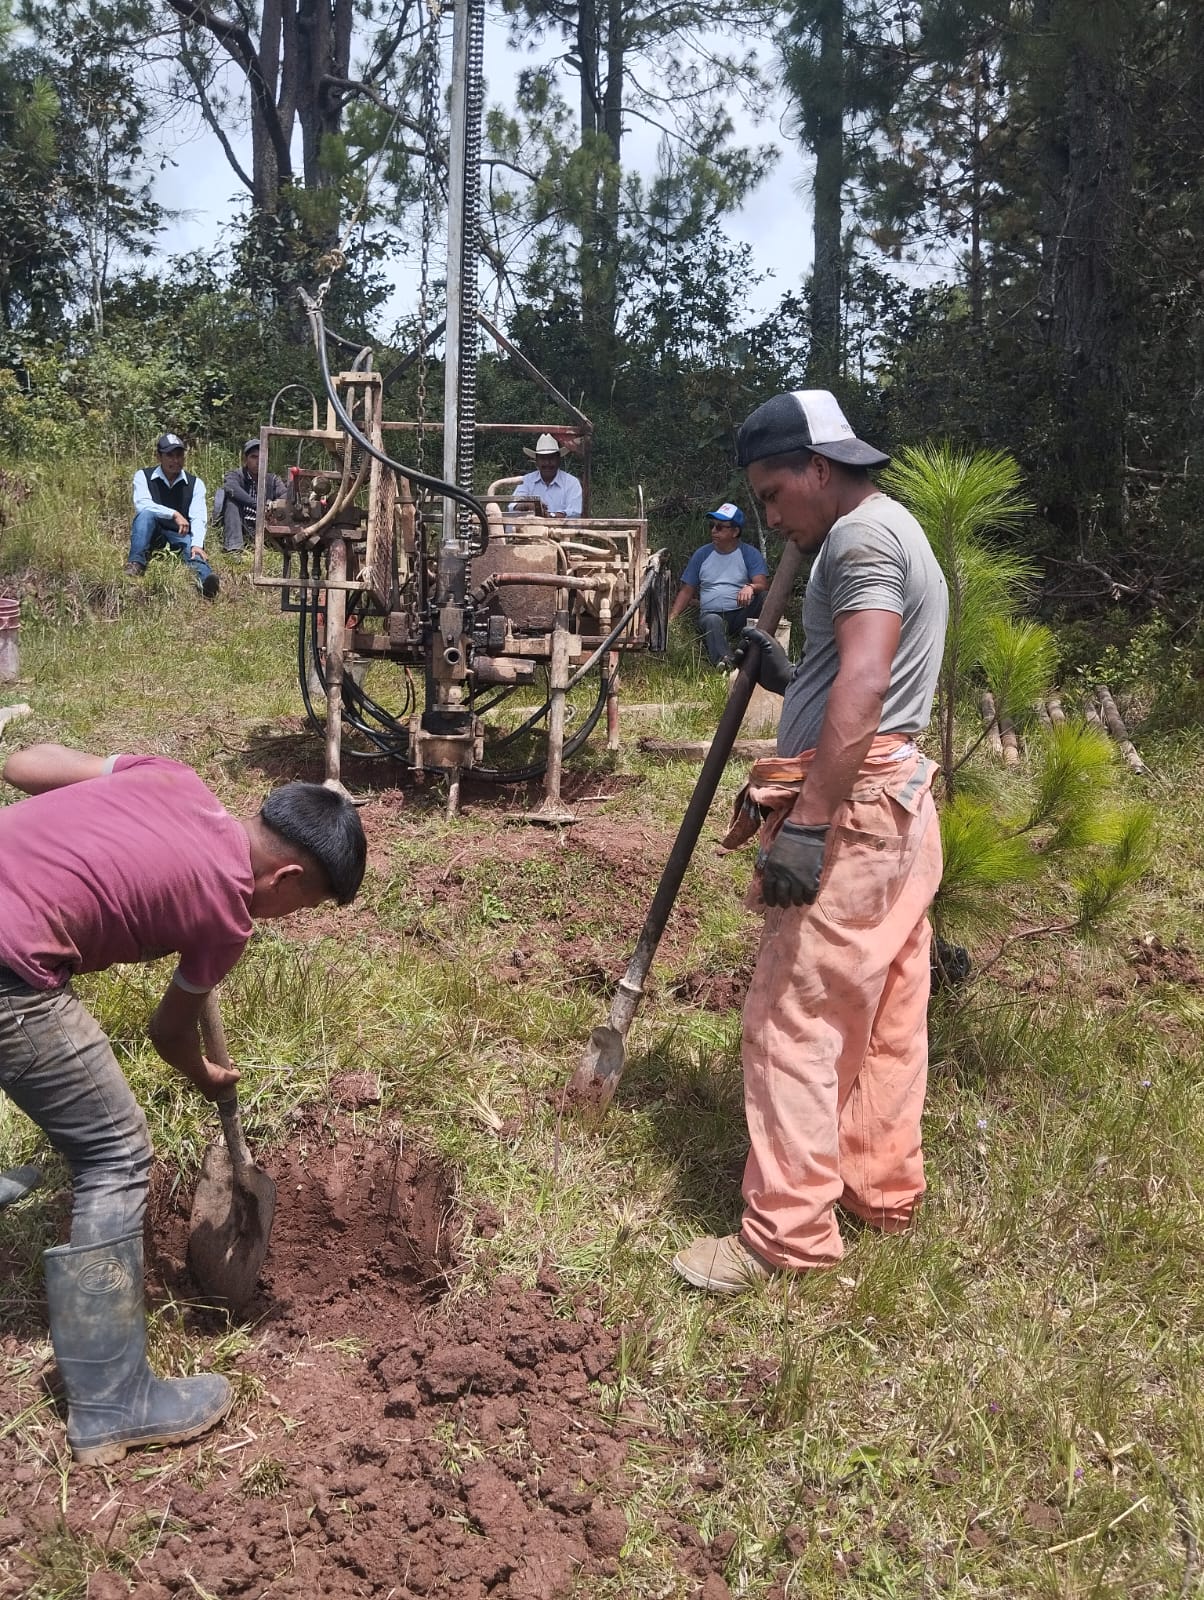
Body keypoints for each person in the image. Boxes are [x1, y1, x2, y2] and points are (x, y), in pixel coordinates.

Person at [0, 744, 367, 1464]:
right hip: (9, 967)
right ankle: (113, 1403)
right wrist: (206, 1075)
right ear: (287, 876)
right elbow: (167, 1031)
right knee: (114, 1154)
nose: (289, 916)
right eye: (305, 904)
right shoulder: (226, 919)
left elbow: (22, 764)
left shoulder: (173, 776)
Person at [672, 389, 949, 1293]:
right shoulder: (894, 527)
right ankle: (879, 1190)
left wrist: (814, 827)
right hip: (905, 801)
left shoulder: (858, 539)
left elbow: (867, 682)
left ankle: (785, 1236)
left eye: (772, 493)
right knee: (885, 1014)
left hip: (858, 806)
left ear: (819, 471)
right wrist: (798, 676)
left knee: (796, 1016)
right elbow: (863, 671)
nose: (768, 514)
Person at [667, 502, 770, 667]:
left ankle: (765, 650)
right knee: (713, 620)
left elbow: (762, 585)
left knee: (765, 598)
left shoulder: (749, 554)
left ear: (735, 532)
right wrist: (672, 620)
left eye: (720, 527)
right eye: (712, 526)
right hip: (712, 615)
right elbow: (686, 591)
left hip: (741, 614)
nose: (714, 531)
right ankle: (726, 662)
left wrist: (750, 587)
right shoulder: (702, 554)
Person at [125, 432, 219, 599]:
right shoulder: (143, 476)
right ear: (158, 456)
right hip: (152, 531)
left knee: (192, 550)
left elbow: (198, 516)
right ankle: (136, 563)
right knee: (145, 515)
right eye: (170, 455)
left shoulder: (195, 484)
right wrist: (173, 513)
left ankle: (207, 582)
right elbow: (142, 504)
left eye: (179, 455)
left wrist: (197, 544)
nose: (175, 460)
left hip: (179, 534)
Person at [214, 438, 288, 555]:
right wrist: (257, 506)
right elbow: (230, 487)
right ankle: (234, 549)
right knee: (230, 501)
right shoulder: (236, 475)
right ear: (246, 460)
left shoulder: (272, 479)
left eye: (262, 457)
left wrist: (274, 509)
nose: (258, 461)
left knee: (285, 506)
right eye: (254, 457)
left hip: (265, 528)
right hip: (241, 525)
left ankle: (278, 547)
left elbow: (285, 495)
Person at [508, 433, 583, 518]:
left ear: (558, 459)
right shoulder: (526, 481)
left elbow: (575, 512)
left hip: (562, 531)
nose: (547, 463)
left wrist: (550, 516)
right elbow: (512, 507)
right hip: (531, 530)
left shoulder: (571, 483)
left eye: (551, 458)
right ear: (537, 460)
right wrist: (528, 505)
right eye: (543, 458)